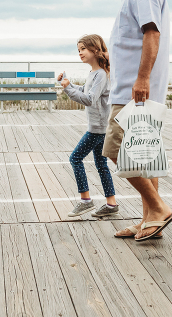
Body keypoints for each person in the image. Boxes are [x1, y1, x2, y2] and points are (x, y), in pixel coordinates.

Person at [103, 0, 172, 242]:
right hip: (137, 88)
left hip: (134, 91)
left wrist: (142, 78)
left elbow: (151, 31)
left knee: (113, 148)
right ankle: (150, 221)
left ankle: (158, 208)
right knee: (145, 156)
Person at [60, 34, 119, 218]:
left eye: (83, 49)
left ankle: (86, 201)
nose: (80, 53)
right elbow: (86, 91)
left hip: (97, 129)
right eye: (78, 50)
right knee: (101, 164)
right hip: (100, 127)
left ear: (95, 50)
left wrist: (68, 90)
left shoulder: (101, 74)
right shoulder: (95, 73)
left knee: (75, 158)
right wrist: (69, 85)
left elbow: (89, 99)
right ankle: (111, 204)